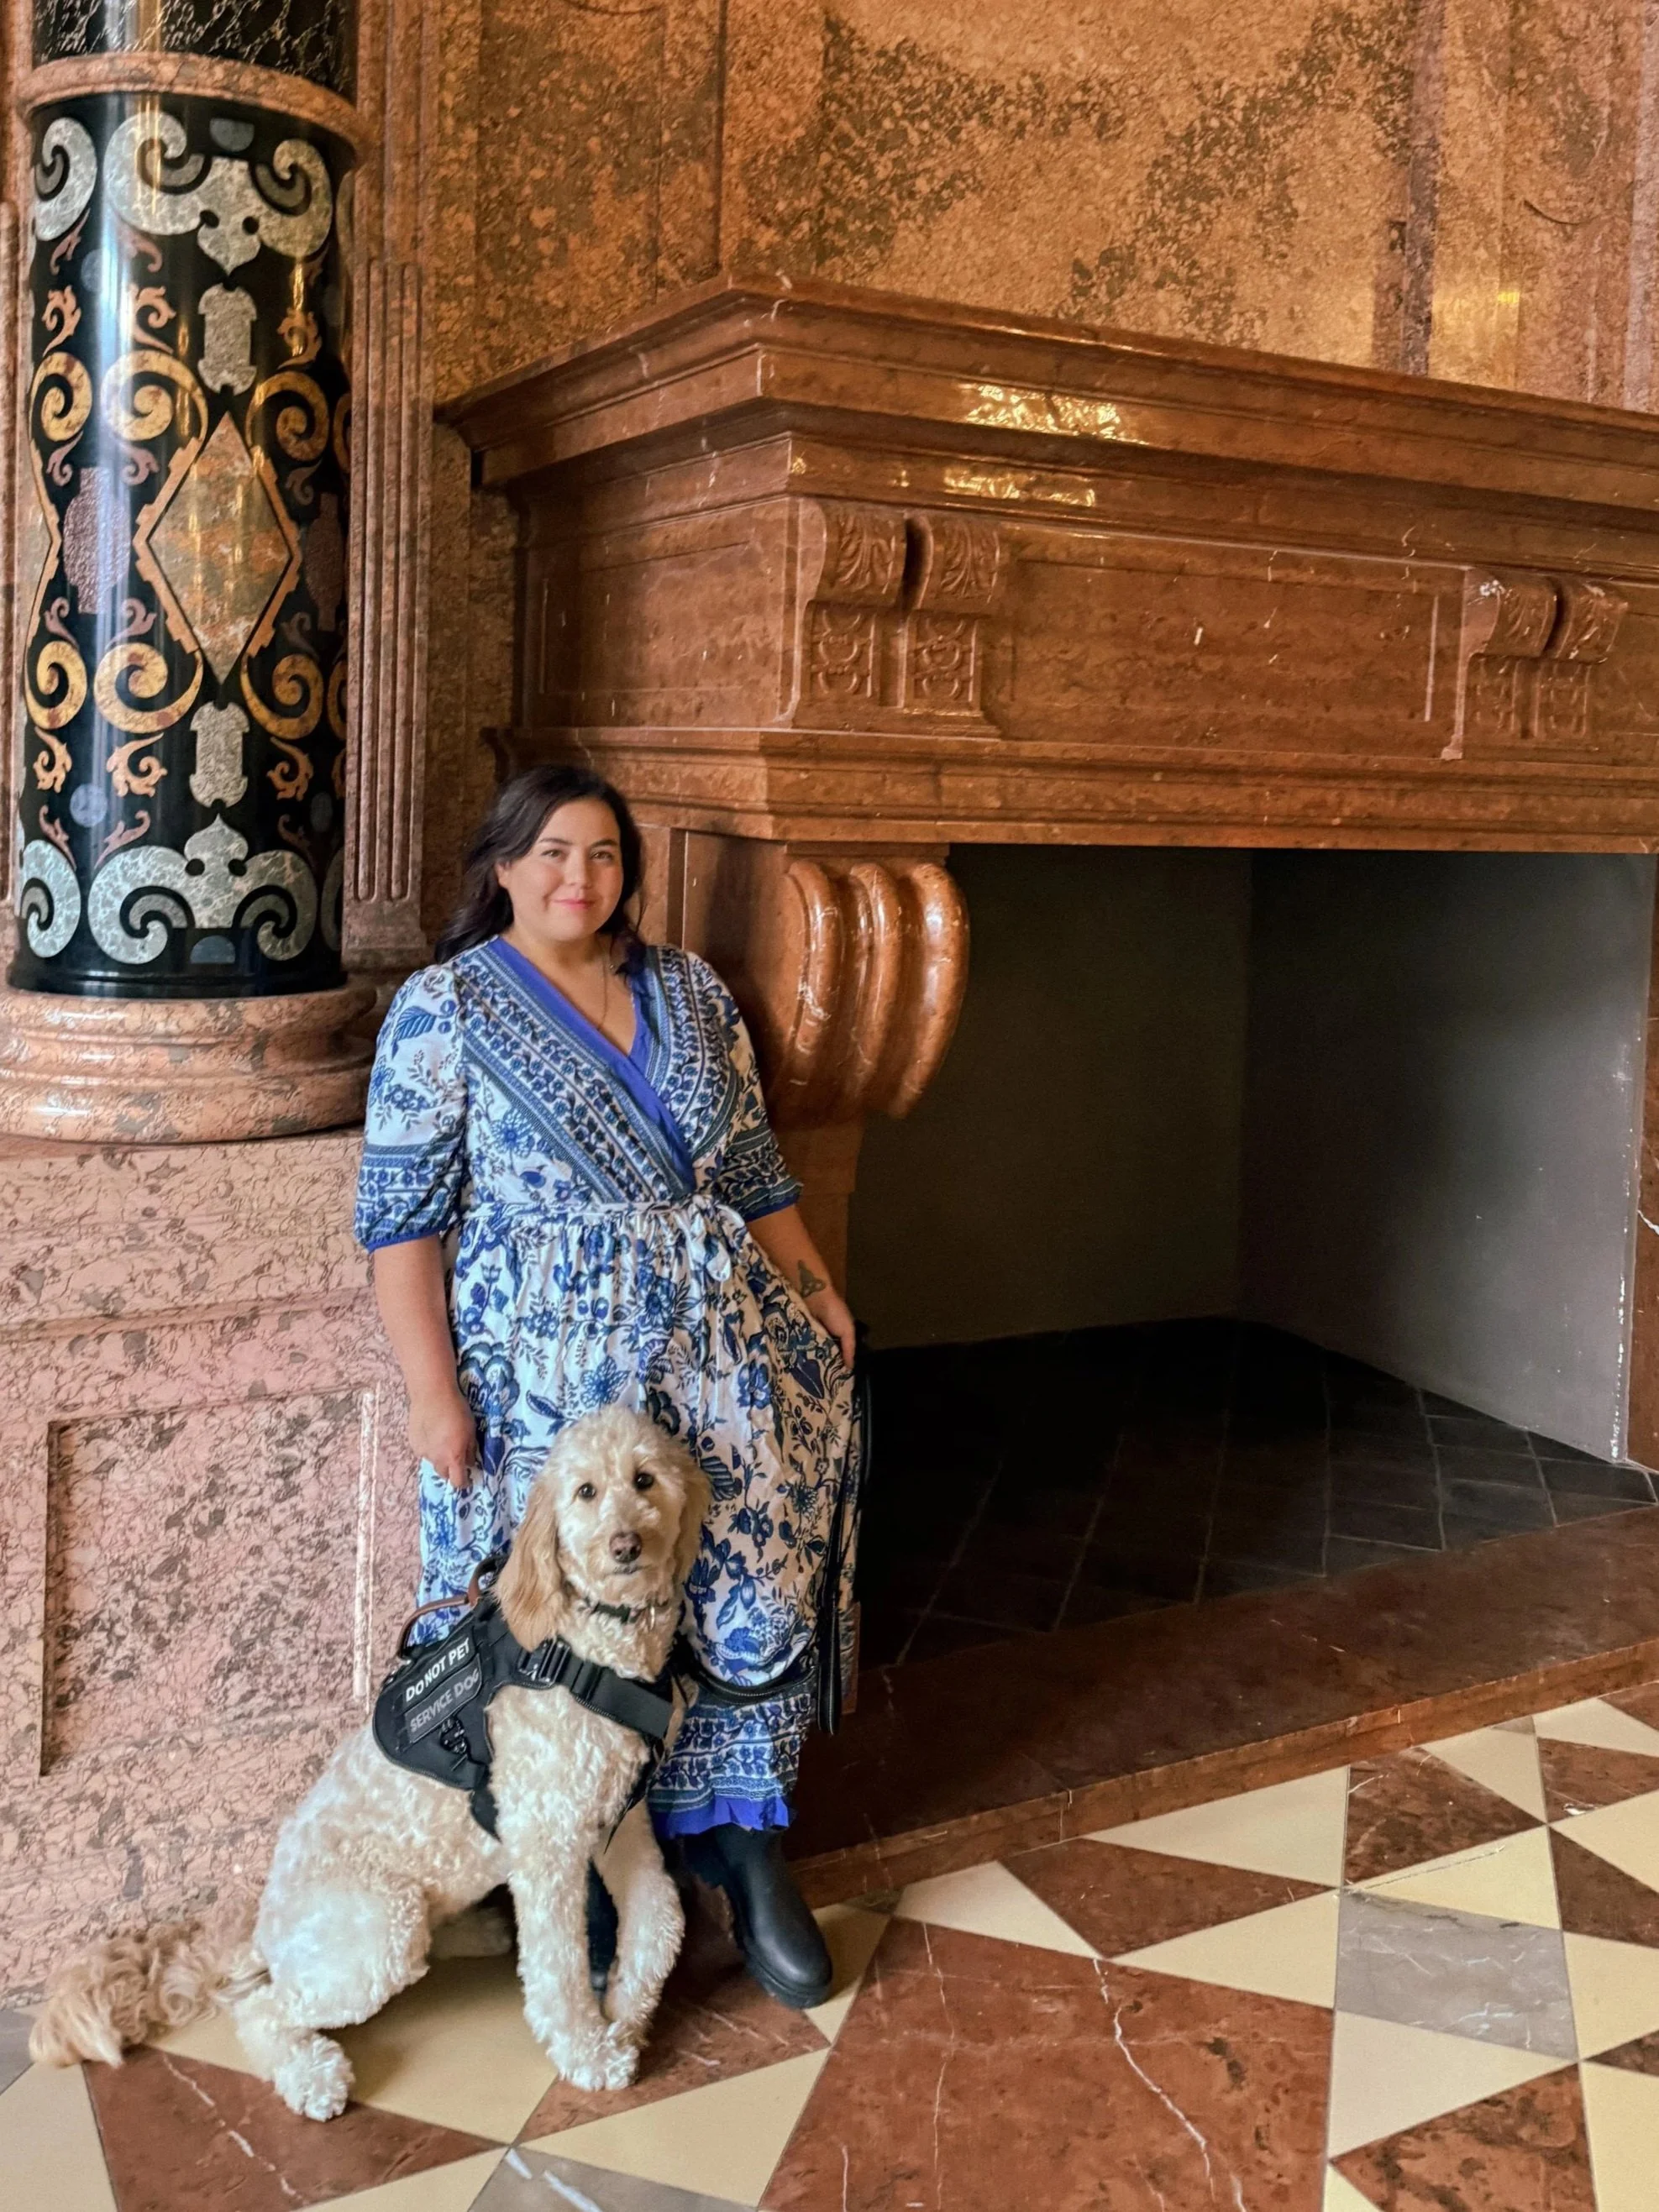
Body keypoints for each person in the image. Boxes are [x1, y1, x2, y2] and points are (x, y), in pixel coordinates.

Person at [353, 765, 858, 2008]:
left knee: (747, 1573)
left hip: (722, 1353)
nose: (577, 878)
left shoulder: (686, 991)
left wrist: (811, 1287)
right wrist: (432, 1394)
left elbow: (750, 1167)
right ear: (503, 868)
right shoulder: (444, 1009)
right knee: (557, 1612)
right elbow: (401, 1227)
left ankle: (737, 1839)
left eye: (602, 855)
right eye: (550, 854)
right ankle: (572, 1856)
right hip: (540, 1374)